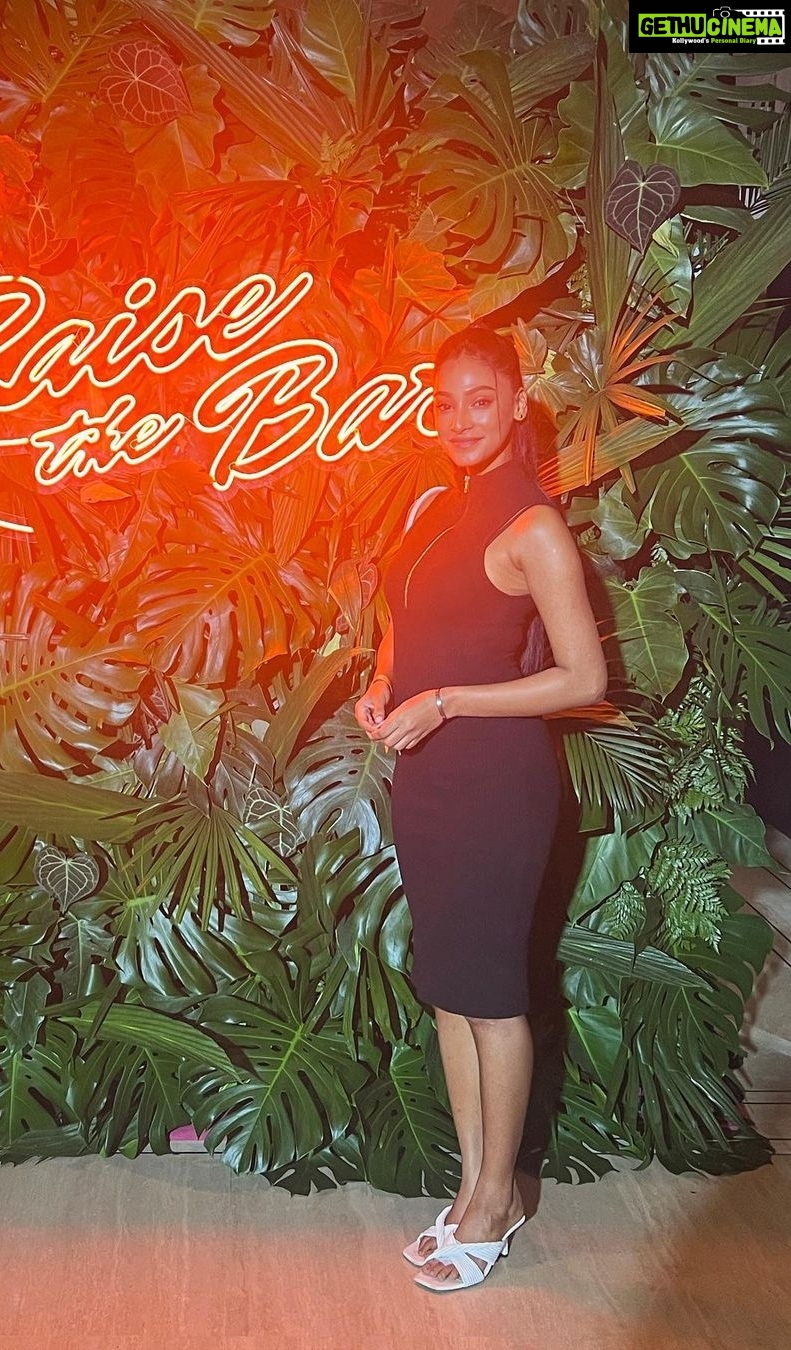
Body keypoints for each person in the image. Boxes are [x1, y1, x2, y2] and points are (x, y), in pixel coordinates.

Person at [354, 325, 607, 1292]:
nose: (460, 419)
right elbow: (404, 614)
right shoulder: (437, 509)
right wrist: (385, 681)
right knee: (451, 991)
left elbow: (583, 677)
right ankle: (470, 1189)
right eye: (445, 402)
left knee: (493, 998)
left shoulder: (534, 528)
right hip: (428, 781)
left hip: (498, 787)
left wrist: (449, 701)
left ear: (515, 404)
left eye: (480, 399)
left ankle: (497, 1204)